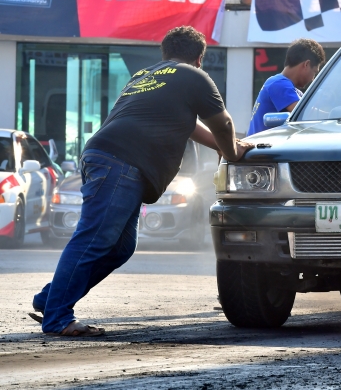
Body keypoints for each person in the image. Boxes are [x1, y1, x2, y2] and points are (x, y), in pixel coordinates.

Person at [30, 26, 253, 337]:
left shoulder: (146, 76)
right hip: (120, 162)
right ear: (199, 58)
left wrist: (219, 145)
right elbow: (223, 122)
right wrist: (233, 152)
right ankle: (57, 317)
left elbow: (188, 126)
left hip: (104, 155)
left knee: (121, 247)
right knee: (94, 239)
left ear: (165, 53)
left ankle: (49, 299)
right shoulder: (194, 76)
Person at [247, 38, 325, 136]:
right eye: (314, 72)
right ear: (306, 64)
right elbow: (306, 114)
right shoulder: (278, 84)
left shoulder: (290, 89)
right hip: (262, 149)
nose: (313, 79)